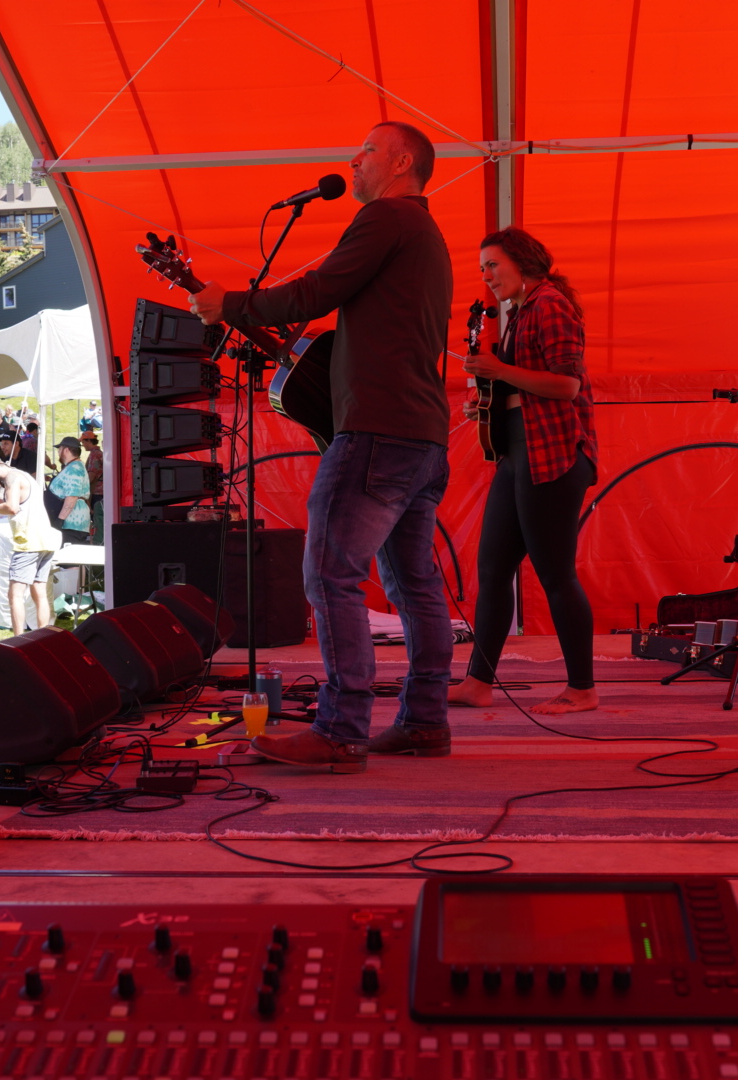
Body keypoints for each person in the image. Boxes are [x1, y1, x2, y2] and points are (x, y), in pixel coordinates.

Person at [188, 121, 453, 774]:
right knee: (413, 583)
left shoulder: (387, 218)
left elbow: (316, 292)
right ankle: (424, 721)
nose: (354, 161)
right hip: (422, 436)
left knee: (331, 574)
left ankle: (340, 730)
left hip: (378, 432)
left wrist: (232, 304)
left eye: (366, 150)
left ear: (398, 162)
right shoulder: (428, 235)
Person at [453, 228, 600, 715]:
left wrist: (499, 373)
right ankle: (477, 682)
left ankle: (582, 689)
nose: (486, 276)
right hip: (519, 455)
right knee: (493, 569)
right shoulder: (521, 312)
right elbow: (523, 392)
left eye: (493, 265)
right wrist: (490, 404)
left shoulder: (551, 304)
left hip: (553, 457)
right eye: (482, 268)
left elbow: (565, 384)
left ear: (523, 260)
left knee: (556, 575)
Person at [0, 455, 61, 636]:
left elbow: (12, 509)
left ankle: (19, 641)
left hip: (28, 542)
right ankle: (44, 638)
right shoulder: (22, 475)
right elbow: (20, 503)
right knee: (39, 592)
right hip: (45, 539)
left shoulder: (10, 479)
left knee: (14, 594)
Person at [48, 437, 92, 545]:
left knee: (67, 558)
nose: (58, 452)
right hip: (72, 523)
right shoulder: (74, 466)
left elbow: (72, 496)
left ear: (66, 450)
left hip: (71, 523)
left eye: (60, 449)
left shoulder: (74, 469)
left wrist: (60, 521)